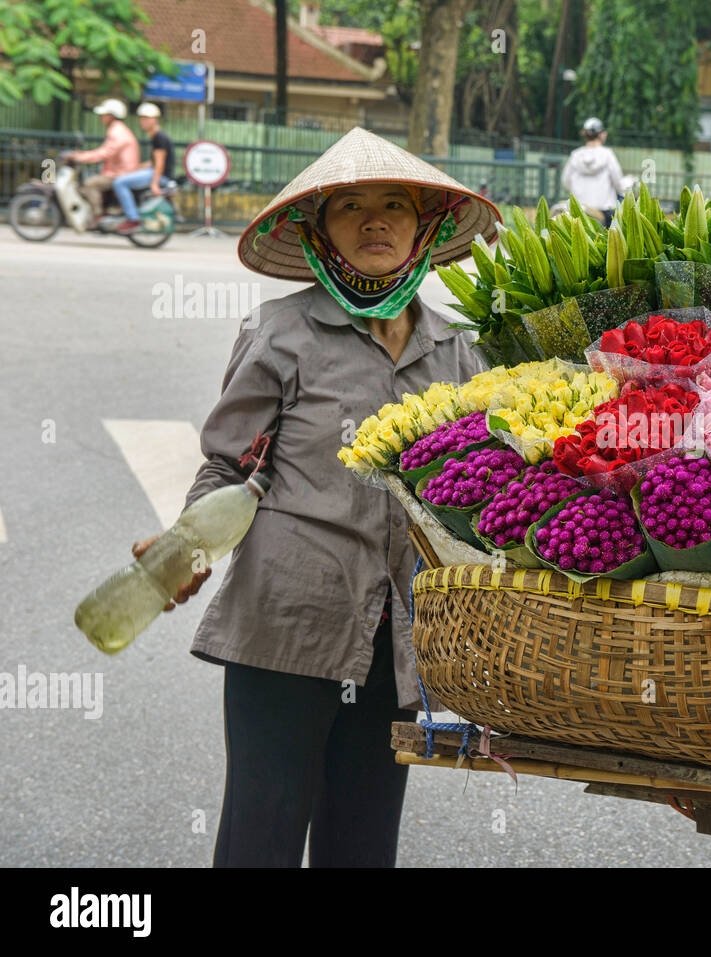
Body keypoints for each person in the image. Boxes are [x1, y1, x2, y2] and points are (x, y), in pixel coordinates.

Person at [129, 127, 501, 867]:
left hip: (395, 636)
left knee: (362, 844)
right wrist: (186, 543)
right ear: (318, 229)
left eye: (395, 204)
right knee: (259, 836)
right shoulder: (280, 334)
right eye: (351, 207)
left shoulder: (459, 351)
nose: (376, 221)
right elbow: (228, 465)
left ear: (423, 225)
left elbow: (481, 492)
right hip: (286, 624)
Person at [68, 98, 140, 225]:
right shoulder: (117, 129)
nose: (101, 117)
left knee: (90, 183)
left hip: (121, 174)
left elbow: (104, 153)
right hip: (117, 171)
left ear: (112, 116)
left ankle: (98, 215)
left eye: (104, 115)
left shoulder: (117, 132)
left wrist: (80, 157)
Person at [111, 102, 174, 234]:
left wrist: (154, 184)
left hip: (161, 176)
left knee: (119, 182)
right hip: (155, 172)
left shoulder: (159, 137)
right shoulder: (155, 137)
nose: (143, 122)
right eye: (141, 118)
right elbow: (153, 162)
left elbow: (160, 163)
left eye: (146, 118)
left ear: (155, 120)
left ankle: (133, 219)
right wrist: (137, 167)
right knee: (123, 177)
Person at [561, 116, 625, 226]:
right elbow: (618, 182)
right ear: (601, 134)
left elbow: (566, 181)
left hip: (579, 208)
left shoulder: (576, 155)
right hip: (603, 210)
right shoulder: (607, 155)